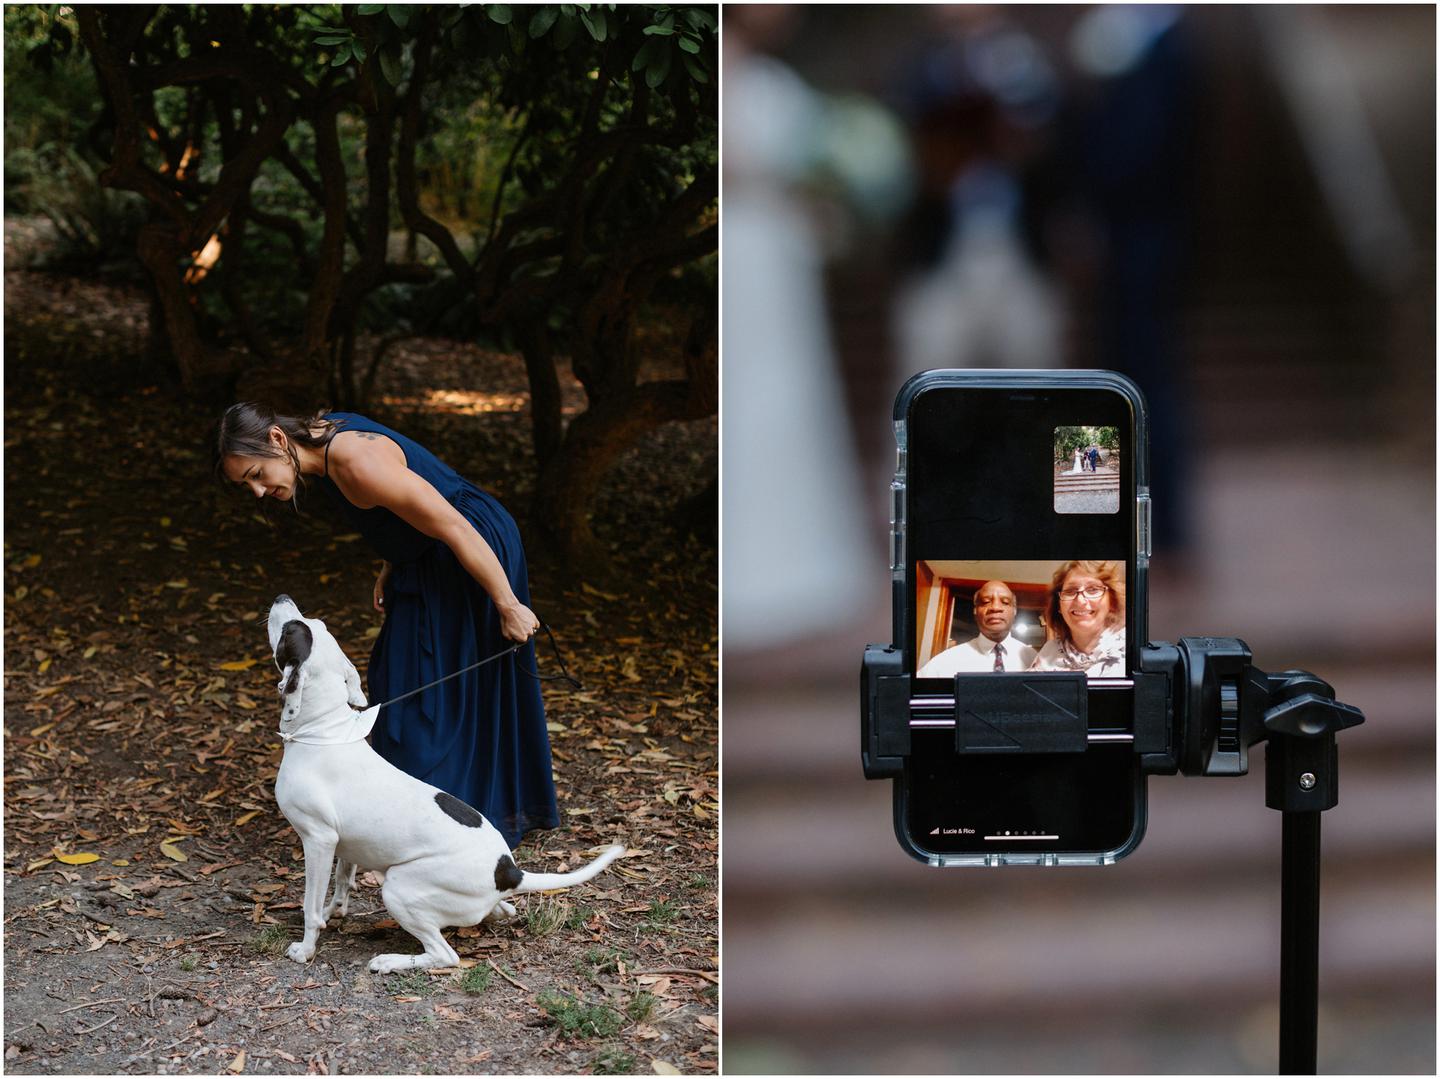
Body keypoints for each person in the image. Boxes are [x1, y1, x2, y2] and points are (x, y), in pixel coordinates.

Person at [214, 403, 559, 848]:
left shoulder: (357, 461)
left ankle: (447, 828)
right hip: (425, 555)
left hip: (469, 550)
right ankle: (425, 815)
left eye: (257, 474)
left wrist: (507, 604)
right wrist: (391, 562)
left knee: (427, 696)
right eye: (248, 485)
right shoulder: (322, 442)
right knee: (396, 679)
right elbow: (401, 508)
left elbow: (452, 524)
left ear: (278, 440)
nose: (259, 491)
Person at [916, 580, 1037, 676]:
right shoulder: (946, 661)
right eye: (985, 602)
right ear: (975, 610)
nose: (995, 607)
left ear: (1014, 611)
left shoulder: (1034, 659)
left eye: (1005, 602)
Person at [1028, 560, 1125, 679]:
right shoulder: (1047, 655)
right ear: (1059, 606)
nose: (1080, 601)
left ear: (1112, 602)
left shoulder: (1131, 653)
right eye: (1070, 591)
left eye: (1093, 589)